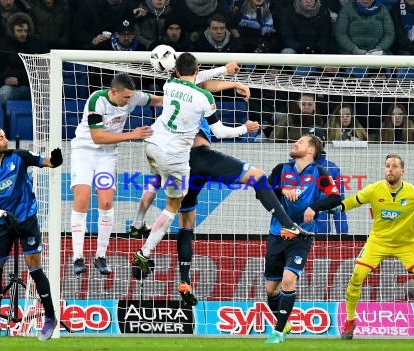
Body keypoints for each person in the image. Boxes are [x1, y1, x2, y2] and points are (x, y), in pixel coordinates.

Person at [130, 53, 314, 284]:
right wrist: (244, 128)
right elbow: (218, 127)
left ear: (177, 72)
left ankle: (183, 279)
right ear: (196, 70)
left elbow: (201, 79)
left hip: (164, 153)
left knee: (184, 218)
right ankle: (288, 225)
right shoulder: (202, 99)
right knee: (256, 176)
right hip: (200, 157)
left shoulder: (170, 84)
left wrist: (228, 74)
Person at [327, 154, 414, 340]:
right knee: (357, 276)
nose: (390, 169)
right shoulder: (374, 189)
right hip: (378, 242)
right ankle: (350, 321)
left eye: (394, 166)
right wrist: (340, 207)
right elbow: (355, 200)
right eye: (387, 166)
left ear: (402, 170)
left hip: (406, 244)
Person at [0, 125, 63, 341]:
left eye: (5, 136)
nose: (6, 141)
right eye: (1, 138)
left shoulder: (20, 157)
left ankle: (50, 318)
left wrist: (56, 161)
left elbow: (47, 162)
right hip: (2, 224)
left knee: (35, 270)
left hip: (26, 220)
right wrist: (1, 213)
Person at [70, 73, 156, 277]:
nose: (129, 101)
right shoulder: (96, 100)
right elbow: (98, 137)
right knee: (82, 200)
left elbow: (156, 100)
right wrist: (132, 135)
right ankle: (78, 256)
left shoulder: (132, 97)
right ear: (113, 91)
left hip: (107, 157)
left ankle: (101, 256)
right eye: (125, 98)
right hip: (84, 153)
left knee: (106, 203)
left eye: (130, 97)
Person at [265, 135, 342, 343]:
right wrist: (283, 190)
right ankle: (284, 323)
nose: (295, 143)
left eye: (300, 141)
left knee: (289, 280)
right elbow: (265, 189)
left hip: (302, 236)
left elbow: (335, 197)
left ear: (311, 150)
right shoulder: (281, 169)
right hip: (277, 233)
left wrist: (313, 207)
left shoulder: (319, 173)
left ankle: (278, 332)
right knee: (271, 290)